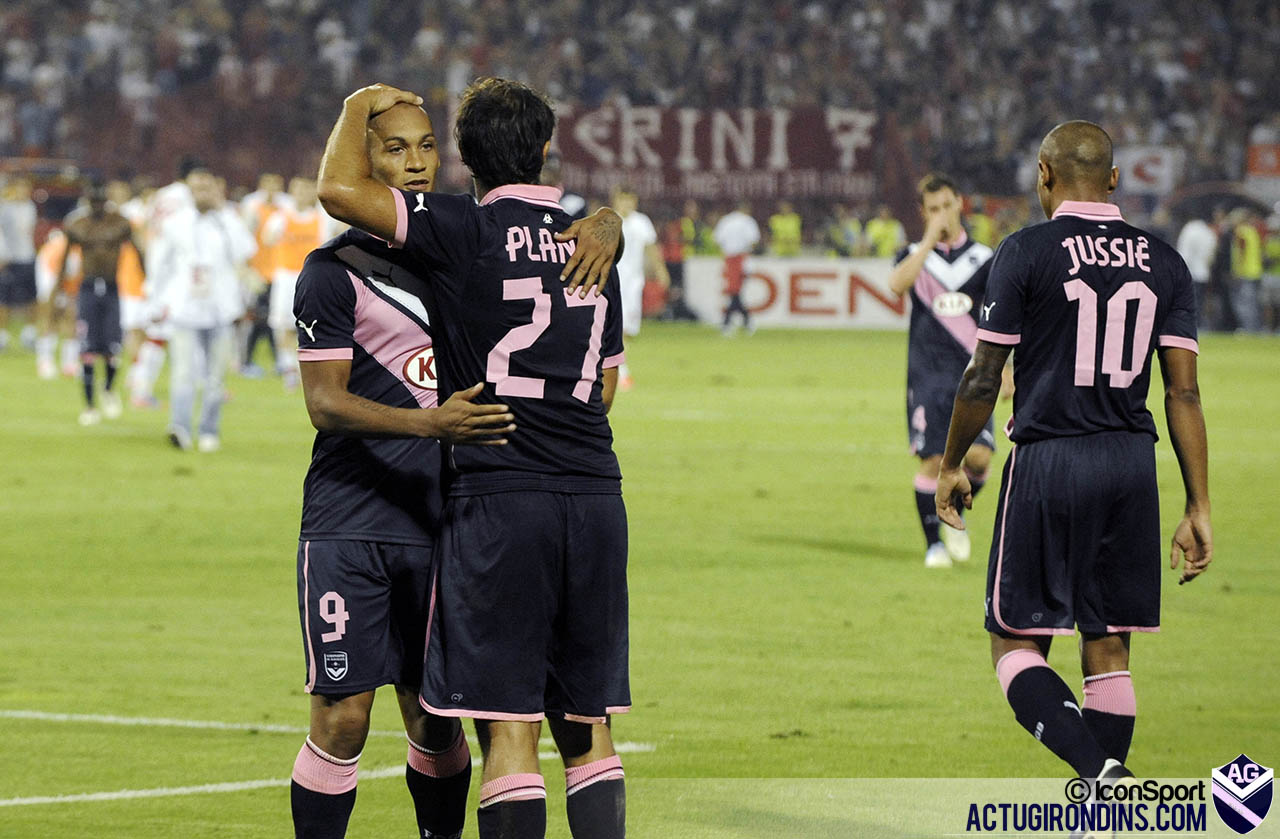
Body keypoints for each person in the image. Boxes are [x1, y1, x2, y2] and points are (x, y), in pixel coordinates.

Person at [318, 78, 628, 839]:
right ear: (548, 150)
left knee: (511, 726)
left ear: (463, 158)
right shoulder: (594, 244)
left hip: (499, 497)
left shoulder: (458, 228)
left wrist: (360, 104)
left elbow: (335, 189)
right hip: (595, 499)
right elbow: (608, 385)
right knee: (587, 724)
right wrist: (610, 217)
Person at [936, 121, 1212, 784]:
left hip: (1049, 460)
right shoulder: (1164, 260)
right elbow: (1184, 392)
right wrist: (1199, 503)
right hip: (1129, 465)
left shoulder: (1027, 250)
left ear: (1044, 173)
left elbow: (981, 374)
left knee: (1014, 641)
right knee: (1108, 644)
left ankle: (1099, 774)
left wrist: (950, 464)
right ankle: (1098, 809)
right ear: (1114, 178)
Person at [887, 173, 998, 568]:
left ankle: (953, 511)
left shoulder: (985, 259)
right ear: (923, 213)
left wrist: (1009, 372)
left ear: (960, 205)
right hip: (928, 375)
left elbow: (1001, 319)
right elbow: (896, 286)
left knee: (981, 458)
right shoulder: (912, 255)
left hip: (975, 374)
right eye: (932, 209)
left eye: (947, 206)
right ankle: (933, 544)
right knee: (934, 461)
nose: (941, 214)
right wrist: (930, 241)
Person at [148, 170, 256, 451]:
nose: (202, 194)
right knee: (183, 372)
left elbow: (246, 251)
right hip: (185, 308)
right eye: (196, 189)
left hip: (220, 308)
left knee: (215, 375)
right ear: (189, 192)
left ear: (217, 189)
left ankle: (209, 429)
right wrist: (157, 301)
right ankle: (180, 427)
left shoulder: (228, 221)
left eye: (207, 188)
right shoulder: (175, 223)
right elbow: (161, 264)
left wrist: (226, 214)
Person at [57, 182, 137, 426]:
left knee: (113, 347)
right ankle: (90, 406)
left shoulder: (120, 224)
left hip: (112, 288)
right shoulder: (78, 226)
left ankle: (110, 389)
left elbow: (139, 251)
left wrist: (149, 284)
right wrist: (59, 292)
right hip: (88, 288)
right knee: (88, 349)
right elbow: (64, 259)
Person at [264, 176, 338, 389]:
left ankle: (310, 369)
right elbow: (267, 239)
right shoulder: (281, 217)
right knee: (282, 325)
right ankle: (288, 368)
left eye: (306, 190)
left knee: (313, 325)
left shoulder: (322, 218)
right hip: (286, 276)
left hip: (311, 276)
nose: (301, 194)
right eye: (297, 190)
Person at [611, 184, 668, 389]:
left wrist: (661, 271)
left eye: (629, 199)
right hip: (611, 282)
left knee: (628, 331)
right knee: (617, 328)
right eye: (622, 199)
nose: (626, 204)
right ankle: (621, 372)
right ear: (615, 200)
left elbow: (651, 249)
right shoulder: (607, 220)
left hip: (633, 284)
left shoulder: (641, 222)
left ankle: (615, 368)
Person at [0, 175, 38, 352]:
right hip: (9, 260)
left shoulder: (31, 207)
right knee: (4, 300)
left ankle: (29, 335)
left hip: (28, 258)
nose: (23, 191)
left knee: (32, 298)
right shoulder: (5, 208)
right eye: (20, 187)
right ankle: (2, 336)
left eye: (26, 188)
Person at [713, 200, 761, 335]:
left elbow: (717, 240)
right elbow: (753, 241)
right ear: (746, 208)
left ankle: (729, 322)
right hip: (742, 258)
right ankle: (743, 321)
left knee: (734, 291)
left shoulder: (725, 221)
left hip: (729, 258)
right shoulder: (748, 221)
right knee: (736, 292)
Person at [1174, 211, 1217, 328]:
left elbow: (1185, 253)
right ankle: (1199, 326)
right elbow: (1211, 255)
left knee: (1187, 303)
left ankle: (1188, 326)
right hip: (1203, 273)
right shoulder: (1208, 232)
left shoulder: (1190, 229)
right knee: (1200, 302)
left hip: (1190, 272)